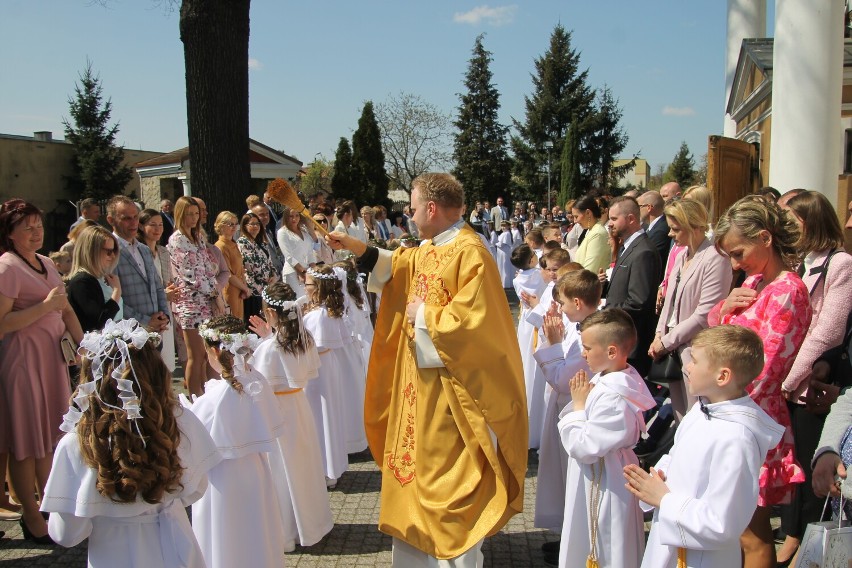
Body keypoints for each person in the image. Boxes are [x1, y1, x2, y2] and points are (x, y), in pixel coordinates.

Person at [327, 172, 527, 565]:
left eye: (414, 207)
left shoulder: (471, 254)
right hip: (417, 390)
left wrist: (425, 317)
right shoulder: (433, 245)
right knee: (413, 480)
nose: (410, 214)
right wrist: (357, 248)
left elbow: (478, 327)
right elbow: (402, 266)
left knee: (449, 490)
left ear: (432, 209)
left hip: (450, 399)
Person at [41, 319, 220, 566]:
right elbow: (196, 488)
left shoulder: (78, 443)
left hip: (116, 554)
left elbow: (67, 534)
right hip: (177, 546)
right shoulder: (178, 421)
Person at [624, 325, 785, 568]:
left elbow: (723, 523)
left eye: (695, 361)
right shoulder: (700, 410)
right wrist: (657, 478)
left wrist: (664, 499)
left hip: (702, 557)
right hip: (670, 539)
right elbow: (677, 454)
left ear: (722, 376)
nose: (687, 367)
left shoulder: (737, 438)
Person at [709, 194, 811, 567]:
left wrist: (720, 399)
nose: (735, 263)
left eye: (738, 252)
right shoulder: (755, 280)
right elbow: (719, 340)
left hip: (752, 419)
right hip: (731, 408)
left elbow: (766, 369)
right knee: (733, 528)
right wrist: (724, 310)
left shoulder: (788, 290)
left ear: (765, 238)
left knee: (752, 535)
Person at [775, 190, 852, 564]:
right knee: (789, 467)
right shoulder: (797, 262)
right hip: (786, 379)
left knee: (807, 465)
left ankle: (803, 541)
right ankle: (790, 534)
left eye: (791, 221)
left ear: (810, 222)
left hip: (805, 384)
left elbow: (827, 331)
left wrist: (787, 379)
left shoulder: (839, 264)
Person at [0, 199, 84, 543]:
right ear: (11, 233)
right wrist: (44, 307)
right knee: (25, 442)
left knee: (51, 437)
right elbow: (3, 322)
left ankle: (51, 505)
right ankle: (32, 517)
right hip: (22, 360)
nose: (36, 233)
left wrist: (86, 345)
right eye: (28, 228)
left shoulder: (47, 262)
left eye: (39, 226)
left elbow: (64, 310)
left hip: (51, 360)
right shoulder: (6, 267)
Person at [557, 308, 655, 568]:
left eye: (588, 347)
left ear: (612, 352)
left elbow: (585, 447)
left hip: (605, 480)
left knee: (604, 544)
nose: (583, 353)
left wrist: (578, 408)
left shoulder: (614, 395)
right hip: (604, 472)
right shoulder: (614, 377)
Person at [188, 315, 286, 568]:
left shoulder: (218, 395)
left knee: (225, 535)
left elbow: (195, 439)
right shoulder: (256, 380)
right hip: (255, 471)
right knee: (255, 532)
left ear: (213, 350)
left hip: (221, 479)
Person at [249, 282, 334, 549]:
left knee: (284, 471)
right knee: (304, 466)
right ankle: (312, 523)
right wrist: (267, 336)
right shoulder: (304, 339)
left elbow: (260, 382)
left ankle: (287, 531)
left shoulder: (270, 348)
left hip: (278, 413)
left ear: (271, 314)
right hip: (299, 406)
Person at [533, 268, 598, 565]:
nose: (559, 308)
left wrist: (554, 342)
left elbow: (562, 378)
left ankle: (575, 547)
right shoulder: (582, 325)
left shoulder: (592, 334)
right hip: (563, 411)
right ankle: (565, 538)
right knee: (562, 480)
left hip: (576, 414)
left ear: (578, 303)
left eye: (563, 302)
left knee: (572, 481)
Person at [648, 199, 733, 421]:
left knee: (695, 416)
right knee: (680, 418)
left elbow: (705, 314)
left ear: (694, 226)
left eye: (676, 229)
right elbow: (669, 302)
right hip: (673, 347)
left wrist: (666, 342)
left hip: (693, 348)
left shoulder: (716, 258)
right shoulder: (683, 255)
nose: (670, 235)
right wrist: (659, 334)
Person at [300, 265, 354, 486]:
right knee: (326, 415)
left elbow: (314, 346)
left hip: (317, 372)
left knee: (319, 417)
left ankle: (325, 469)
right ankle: (329, 465)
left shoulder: (319, 316)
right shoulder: (327, 310)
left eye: (307, 284)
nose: (304, 288)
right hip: (326, 368)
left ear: (318, 287)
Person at [602, 196, 662, 377]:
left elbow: (638, 301)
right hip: (621, 338)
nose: (609, 224)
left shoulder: (643, 251)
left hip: (632, 343)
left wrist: (605, 314)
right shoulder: (627, 247)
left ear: (630, 219)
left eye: (614, 219)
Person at [168, 196, 221, 397]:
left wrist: (215, 293)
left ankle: (206, 392)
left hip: (207, 301)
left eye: (196, 213)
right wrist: (212, 291)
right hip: (190, 302)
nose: (193, 217)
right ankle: (194, 396)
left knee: (208, 353)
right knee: (195, 355)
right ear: (180, 215)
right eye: (189, 214)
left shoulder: (198, 237)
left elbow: (208, 266)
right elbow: (189, 274)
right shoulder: (177, 239)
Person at [106, 196, 170, 333]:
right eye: (126, 218)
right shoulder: (109, 253)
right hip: (129, 334)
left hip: (156, 332)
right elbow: (112, 296)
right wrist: (145, 321)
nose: (133, 222)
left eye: (135, 217)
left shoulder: (144, 249)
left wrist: (164, 316)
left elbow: (157, 287)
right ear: (111, 220)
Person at [138, 209, 180, 372]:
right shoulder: (140, 252)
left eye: (160, 225)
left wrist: (171, 289)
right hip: (149, 310)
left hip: (165, 306)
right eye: (152, 225)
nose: (157, 229)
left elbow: (168, 279)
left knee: (167, 358)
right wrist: (164, 293)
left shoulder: (163, 251)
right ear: (142, 227)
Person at [67, 225, 123, 332]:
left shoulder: (99, 278)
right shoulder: (82, 281)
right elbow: (99, 322)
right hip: (95, 345)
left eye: (114, 251)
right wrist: (117, 292)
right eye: (108, 252)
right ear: (92, 251)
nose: (113, 256)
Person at [237, 213, 278, 322]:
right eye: (252, 224)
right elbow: (250, 265)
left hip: (267, 289)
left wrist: (273, 275)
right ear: (245, 226)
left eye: (257, 224)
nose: (255, 226)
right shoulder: (242, 243)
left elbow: (270, 263)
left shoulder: (262, 243)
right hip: (253, 289)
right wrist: (265, 279)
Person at [211, 211, 249, 320]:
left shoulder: (233, 244)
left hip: (239, 290)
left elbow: (240, 269)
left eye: (235, 224)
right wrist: (245, 288)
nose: (234, 227)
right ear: (221, 226)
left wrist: (244, 287)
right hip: (230, 290)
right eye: (230, 224)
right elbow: (228, 274)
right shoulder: (220, 246)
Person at [277, 207, 315, 298]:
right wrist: (302, 271)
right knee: (297, 301)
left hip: (308, 272)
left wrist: (313, 270)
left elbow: (310, 251)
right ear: (286, 217)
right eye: (291, 216)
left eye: (297, 215)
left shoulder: (304, 231)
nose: (294, 219)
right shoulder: (282, 232)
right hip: (292, 272)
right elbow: (288, 255)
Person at [571, 194, 610, 274]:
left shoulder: (597, 234)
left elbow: (589, 270)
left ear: (588, 213)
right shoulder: (592, 231)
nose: (575, 221)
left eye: (576, 216)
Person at [636, 190, 669, 275]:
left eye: (638, 207)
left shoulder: (660, 231)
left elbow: (647, 261)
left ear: (649, 207)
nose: (636, 211)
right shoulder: (649, 227)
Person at [250, 203, 285, 276]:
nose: (266, 217)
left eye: (267, 213)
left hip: (278, 274)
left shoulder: (268, 232)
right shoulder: (252, 237)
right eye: (261, 214)